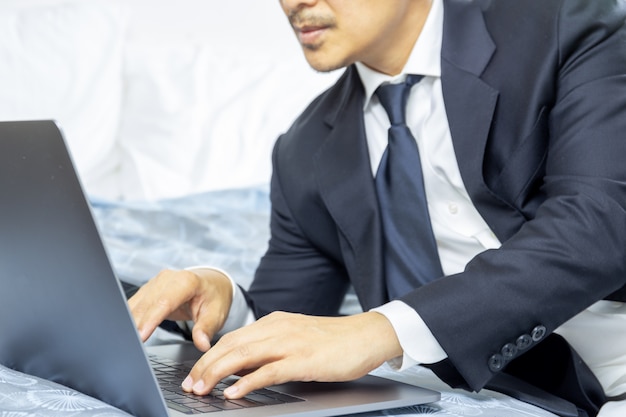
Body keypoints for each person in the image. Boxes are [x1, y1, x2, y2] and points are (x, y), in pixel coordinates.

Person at [129, 1, 626, 416]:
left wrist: (382, 330)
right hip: (498, 392)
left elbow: (599, 225)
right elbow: (296, 321)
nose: (294, 2)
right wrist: (221, 301)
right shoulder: (304, 152)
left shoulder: (569, 27)